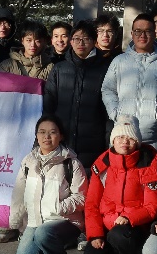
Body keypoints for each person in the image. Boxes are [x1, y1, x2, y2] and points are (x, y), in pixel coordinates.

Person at [82, 115, 157, 254]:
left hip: (135, 226)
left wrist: (129, 218)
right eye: (120, 137)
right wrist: (96, 234)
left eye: (130, 138)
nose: (125, 141)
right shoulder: (102, 165)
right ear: (113, 140)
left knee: (119, 235)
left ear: (137, 142)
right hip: (108, 224)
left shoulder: (148, 163)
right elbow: (92, 204)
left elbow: (153, 206)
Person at [9, 115, 87, 254]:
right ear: (36, 135)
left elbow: (82, 197)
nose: (47, 137)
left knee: (44, 233)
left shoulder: (71, 163)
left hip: (64, 221)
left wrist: (58, 207)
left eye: (52, 132)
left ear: (61, 136)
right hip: (35, 221)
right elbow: (19, 193)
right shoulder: (28, 162)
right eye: (42, 132)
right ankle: (48, 248)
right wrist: (15, 220)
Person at [101, 13, 157, 155]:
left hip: (154, 138)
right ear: (132, 34)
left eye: (147, 31)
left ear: (154, 33)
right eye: (138, 31)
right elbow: (107, 89)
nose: (142, 35)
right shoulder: (119, 61)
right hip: (123, 138)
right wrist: (115, 113)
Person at [42, 21, 112, 169]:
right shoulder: (59, 69)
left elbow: (108, 112)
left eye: (86, 39)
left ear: (94, 41)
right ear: (71, 41)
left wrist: (108, 144)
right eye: (76, 38)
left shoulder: (105, 70)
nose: (81, 43)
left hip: (93, 145)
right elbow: (49, 106)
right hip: (61, 143)